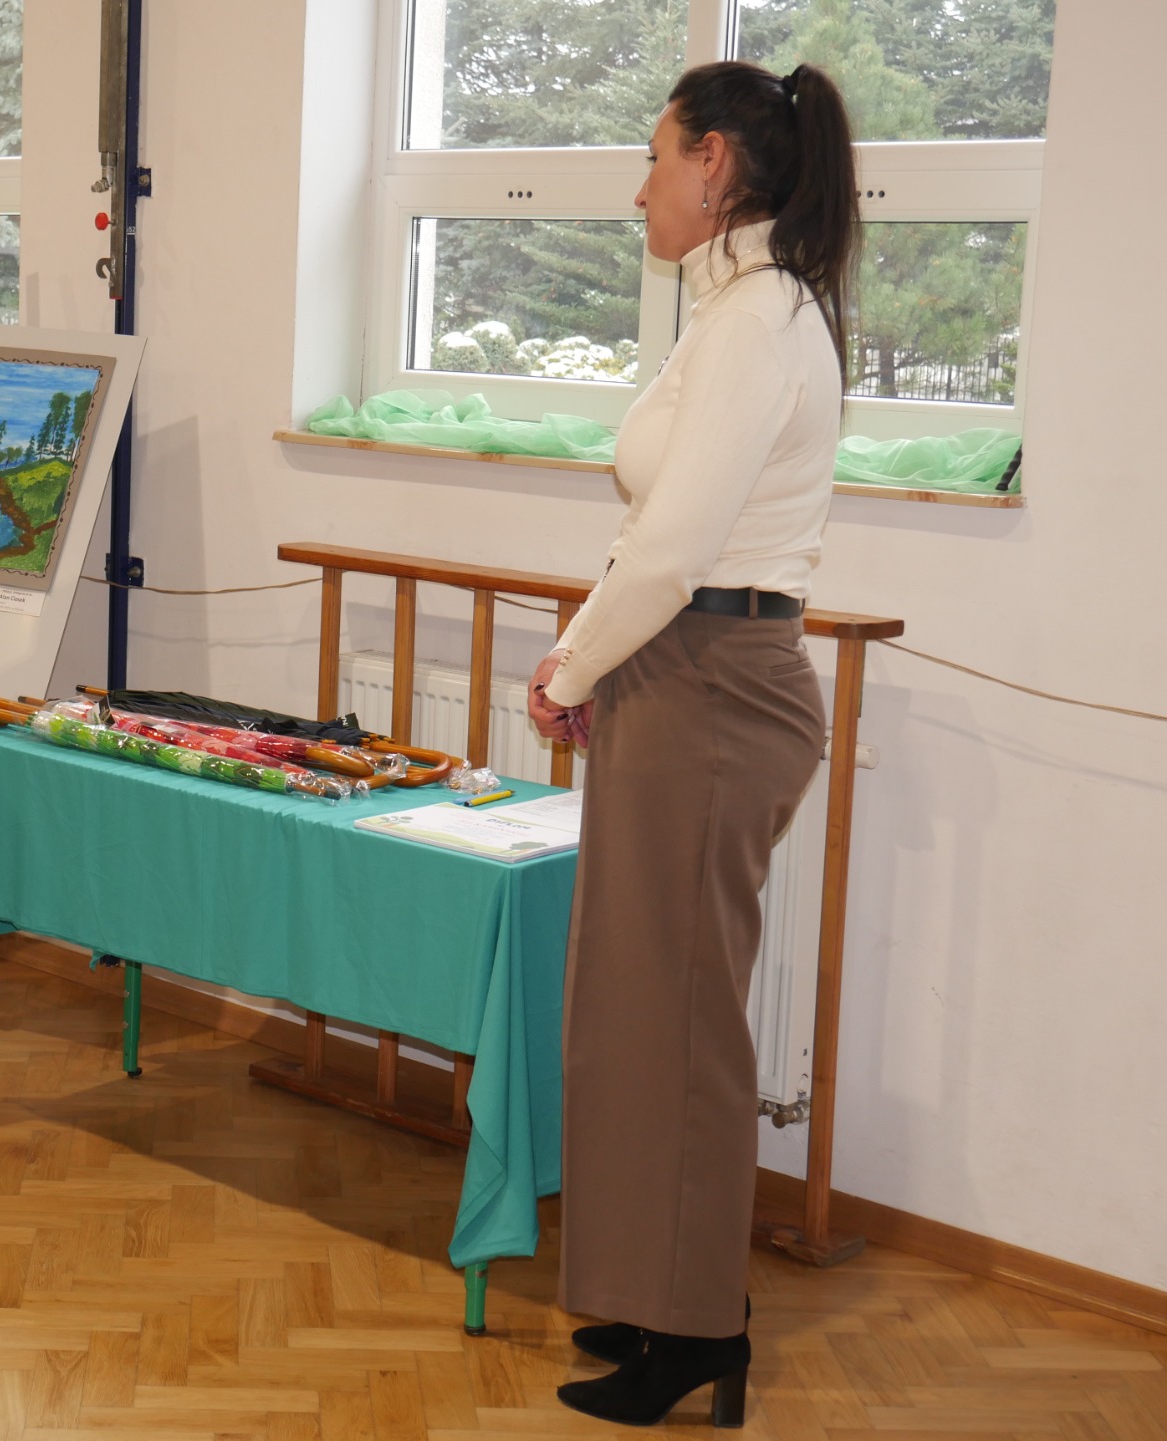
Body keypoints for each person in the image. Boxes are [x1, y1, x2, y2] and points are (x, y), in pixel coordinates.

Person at [526, 62, 858, 1427]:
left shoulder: (760, 321)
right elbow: (657, 540)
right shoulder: (733, 308)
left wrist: (574, 663)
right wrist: (597, 653)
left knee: (680, 1019)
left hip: (715, 682)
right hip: (682, 671)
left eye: (657, 156)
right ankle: (652, 1292)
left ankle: (702, 1325)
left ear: (715, 163)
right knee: (632, 1005)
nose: (642, 186)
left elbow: (676, 546)